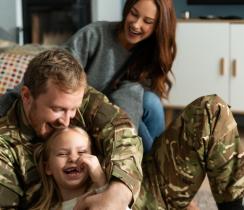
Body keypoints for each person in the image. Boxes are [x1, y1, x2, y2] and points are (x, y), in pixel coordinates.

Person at [0, 49, 244, 209]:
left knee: (212, 109)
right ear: (26, 96)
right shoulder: (4, 143)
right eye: (57, 109)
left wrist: (118, 193)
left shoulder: (80, 98)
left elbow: (123, 133)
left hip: (143, 194)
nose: (67, 120)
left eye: (72, 110)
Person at [0, 0, 177, 154]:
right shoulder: (95, 34)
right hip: (79, 106)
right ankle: (158, 168)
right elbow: (53, 70)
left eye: (147, 21)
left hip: (116, 109)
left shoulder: (149, 54)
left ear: (158, 27)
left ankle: (155, 167)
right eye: (133, 14)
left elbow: (129, 100)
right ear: (127, 9)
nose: (136, 24)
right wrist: (7, 101)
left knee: (151, 102)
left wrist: (125, 138)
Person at [31, 126, 108, 210]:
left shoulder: (107, 193)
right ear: (48, 167)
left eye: (81, 152)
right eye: (62, 154)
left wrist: (100, 179)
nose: (73, 158)